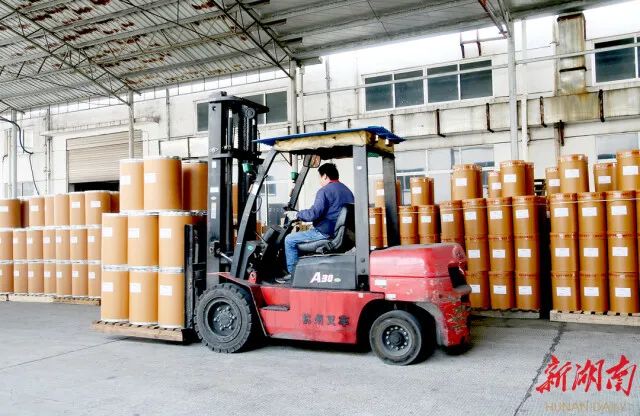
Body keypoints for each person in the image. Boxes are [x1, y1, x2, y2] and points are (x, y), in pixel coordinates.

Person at [281, 163, 354, 281]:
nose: (319, 181)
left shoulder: (324, 191)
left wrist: (297, 215)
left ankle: (293, 275)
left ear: (325, 176)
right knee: (306, 232)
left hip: (325, 233)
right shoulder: (347, 191)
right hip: (341, 233)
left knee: (289, 240)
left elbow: (314, 213)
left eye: (319, 177)